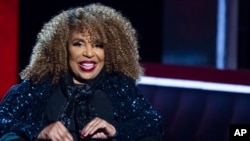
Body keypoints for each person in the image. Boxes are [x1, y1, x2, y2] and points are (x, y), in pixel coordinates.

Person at [0, 3, 164, 141]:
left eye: (98, 45)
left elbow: (153, 124)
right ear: (63, 48)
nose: (89, 53)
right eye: (79, 44)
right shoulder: (39, 85)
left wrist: (116, 130)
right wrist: (39, 131)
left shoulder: (119, 86)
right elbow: (3, 121)